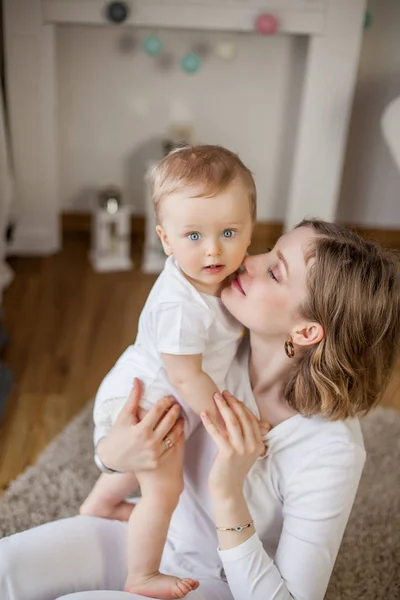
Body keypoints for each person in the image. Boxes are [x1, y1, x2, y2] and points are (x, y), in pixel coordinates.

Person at [1, 219, 399, 600]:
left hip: (217, 583)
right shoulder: (205, 356)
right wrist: (110, 457)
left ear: (307, 331)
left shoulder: (332, 451)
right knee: (6, 567)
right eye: (268, 251)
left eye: (275, 272)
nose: (248, 261)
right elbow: (132, 443)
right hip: (148, 536)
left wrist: (228, 492)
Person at [81, 145, 255, 598]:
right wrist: (227, 421)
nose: (214, 249)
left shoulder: (220, 276)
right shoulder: (181, 304)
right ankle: (142, 575)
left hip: (161, 401)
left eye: (229, 232)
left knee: (150, 468)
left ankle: (99, 504)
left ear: (251, 231)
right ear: (165, 240)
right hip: (146, 402)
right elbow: (185, 377)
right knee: (165, 489)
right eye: (193, 236)